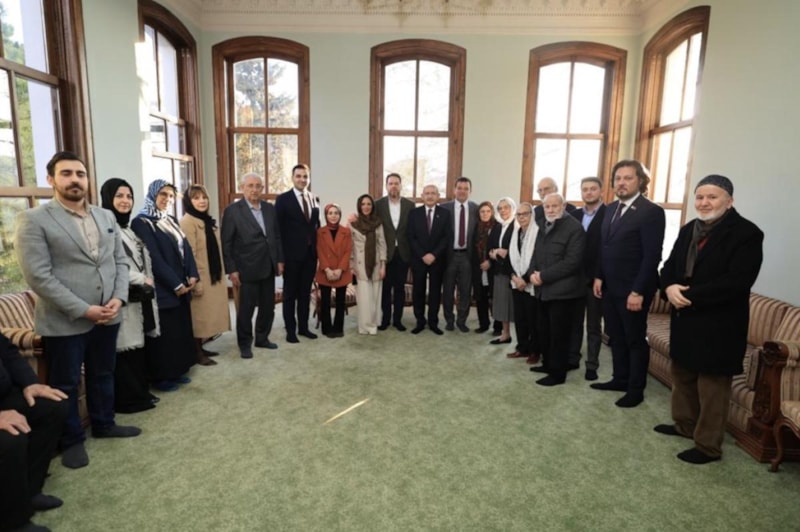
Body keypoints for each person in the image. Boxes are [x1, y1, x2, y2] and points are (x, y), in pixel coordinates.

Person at [15, 151, 140, 470]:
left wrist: (118, 298)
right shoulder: (34, 219)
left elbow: (119, 262)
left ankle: (105, 424)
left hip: (108, 315)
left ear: (87, 180)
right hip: (65, 320)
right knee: (66, 383)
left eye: (80, 174)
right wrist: (84, 310)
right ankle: (70, 440)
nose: (75, 180)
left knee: (103, 373)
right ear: (51, 179)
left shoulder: (105, 216)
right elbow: (39, 276)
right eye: (66, 173)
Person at [655, 175, 763, 464]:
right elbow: (669, 266)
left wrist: (687, 295)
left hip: (719, 324)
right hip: (685, 320)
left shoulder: (747, 233)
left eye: (712, 197)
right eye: (700, 197)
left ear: (729, 201)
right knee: (683, 376)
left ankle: (708, 446)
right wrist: (669, 287)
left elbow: (737, 281)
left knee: (712, 387)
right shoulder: (689, 228)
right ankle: (685, 425)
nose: (704, 203)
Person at [592, 160, 665, 408]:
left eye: (628, 178)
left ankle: (635, 389)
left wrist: (638, 291)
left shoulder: (651, 211)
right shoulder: (611, 209)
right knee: (615, 336)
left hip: (633, 289)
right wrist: (599, 276)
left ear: (640, 181)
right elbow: (604, 247)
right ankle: (619, 379)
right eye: (618, 178)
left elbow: (652, 256)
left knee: (634, 339)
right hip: (610, 286)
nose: (621, 183)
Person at [131, 179, 198, 392]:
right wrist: (176, 284)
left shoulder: (170, 219)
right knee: (164, 336)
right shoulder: (141, 222)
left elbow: (186, 248)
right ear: (153, 195)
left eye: (170, 196)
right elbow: (153, 258)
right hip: (163, 289)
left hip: (182, 286)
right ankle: (161, 377)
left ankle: (177, 371)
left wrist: (193, 274)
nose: (167, 199)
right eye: (163, 194)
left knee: (179, 332)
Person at [100, 178, 159, 413]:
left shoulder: (127, 228)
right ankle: (129, 400)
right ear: (108, 199)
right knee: (125, 348)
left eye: (129, 196)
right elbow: (111, 263)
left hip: (139, 294)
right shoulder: (105, 228)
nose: (125, 201)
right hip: (121, 295)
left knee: (138, 345)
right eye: (119, 196)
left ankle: (140, 393)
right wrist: (139, 278)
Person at [221, 173, 284, 359]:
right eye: (250, 186)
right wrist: (232, 269)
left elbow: (276, 236)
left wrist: (279, 260)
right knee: (246, 310)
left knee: (267, 307)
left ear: (262, 188)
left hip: (268, 266)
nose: (254, 189)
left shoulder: (269, 208)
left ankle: (262, 338)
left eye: (258, 186)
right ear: (242, 188)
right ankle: (245, 344)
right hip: (246, 268)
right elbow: (226, 244)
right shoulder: (232, 211)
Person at [529, 194, 586, 386]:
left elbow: (572, 262)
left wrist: (542, 276)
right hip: (543, 291)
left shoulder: (574, 228)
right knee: (544, 331)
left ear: (563, 206)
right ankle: (548, 365)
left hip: (564, 292)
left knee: (559, 335)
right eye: (547, 206)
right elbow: (534, 253)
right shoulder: (541, 225)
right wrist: (532, 273)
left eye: (555, 206)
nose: (551, 210)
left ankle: (558, 374)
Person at [180, 184, 231, 366]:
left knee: (208, 315)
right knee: (198, 316)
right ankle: (196, 352)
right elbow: (190, 255)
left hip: (212, 275)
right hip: (199, 277)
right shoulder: (187, 221)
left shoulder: (206, 220)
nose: (202, 201)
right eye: (196, 198)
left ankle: (201, 347)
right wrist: (196, 281)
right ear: (189, 201)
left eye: (204, 197)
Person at [275, 164, 320, 343]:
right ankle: (290, 331)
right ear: (292, 178)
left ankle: (303, 327)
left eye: (305, 176)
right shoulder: (283, 200)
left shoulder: (314, 198)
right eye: (298, 176)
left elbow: (316, 227)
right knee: (290, 295)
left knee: (305, 294)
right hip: (291, 256)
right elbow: (277, 231)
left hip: (310, 256)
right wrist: (280, 259)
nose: (302, 179)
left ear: (309, 178)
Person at [570, 177, 607, 381]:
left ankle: (592, 364)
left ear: (601, 191)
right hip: (575, 278)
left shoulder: (609, 214)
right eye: (585, 189)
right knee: (574, 322)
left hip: (596, 279)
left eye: (593, 189)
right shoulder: (574, 215)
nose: (589, 192)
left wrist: (599, 276)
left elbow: (606, 249)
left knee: (593, 325)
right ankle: (572, 358)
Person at [407, 184, 451, 335]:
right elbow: (411, 237)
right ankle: (420, 321)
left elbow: (446, 237)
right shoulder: (414, 213)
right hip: (419, 259)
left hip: (437, 260)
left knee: (435, 292)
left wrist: (434, 254)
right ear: (422, 196)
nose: (430, 196)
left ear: (438, 196)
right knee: (418, 291)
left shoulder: (445, 214)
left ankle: (433, 322)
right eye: (427, 193)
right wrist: (423, 255)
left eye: (433, 193)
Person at [374, 173, 415, 332]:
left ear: (401, 186)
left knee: (399, 289)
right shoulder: (378, 205)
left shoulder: (410, 205)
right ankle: (385, 319)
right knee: (385, 289)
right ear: (386, 186)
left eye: (396, 183)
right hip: (385, 253)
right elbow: (370, 222)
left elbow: (413, 229)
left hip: (403, 253)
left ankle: (397, 320)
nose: (393, 186)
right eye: (390, 183)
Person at [442, 177, 479, 332]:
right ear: (454, 190)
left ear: (470, 191)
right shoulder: (444, 208)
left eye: (466, 188)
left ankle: (462, 321)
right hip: (449, 256)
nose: (462, 191)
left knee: (465, 291)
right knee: (448, 290)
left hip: (467, 256)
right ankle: (449, 320)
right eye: (459, 188)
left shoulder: (476, 209)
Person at [504, 203, 539, 362]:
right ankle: (522, 348)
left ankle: (534, 351)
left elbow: (537, 260)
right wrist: (514, 278)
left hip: (530, 283)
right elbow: (510, 258)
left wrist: (524, 279)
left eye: (525, 213)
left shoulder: (537, 233)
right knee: (520, 318)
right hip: (516, 283)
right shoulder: (516, 232)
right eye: (519, 214)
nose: (522, 217)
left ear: (532, 215)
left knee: (533, 319)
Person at [350, 194, 387, 335]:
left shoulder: (378, 223)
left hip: (376, 264)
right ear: (359, 206)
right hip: (360, 265)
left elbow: (382, 244)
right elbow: (350, 247)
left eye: (369, 204)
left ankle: (373, 323)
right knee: (364, 298)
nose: (366, 207)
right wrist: (351, 265)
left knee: (375, 297)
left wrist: (383, 265)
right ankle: (364, 326)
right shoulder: (353, 223)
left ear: (372, 206)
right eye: (363, 204)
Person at [315, 204, 353, 338]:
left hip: (341, 271)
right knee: (325, 301)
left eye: (336, 213)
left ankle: (338, 328)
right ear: (326, 215)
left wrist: (340, 270)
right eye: (330, 213)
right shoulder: (320, 232)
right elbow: (319, 251)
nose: (333, 216)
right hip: (325, 271)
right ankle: (326, 328)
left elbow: (348, 251)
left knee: (340, 302)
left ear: (340, 215)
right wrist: (327, 270)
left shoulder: (346, 231)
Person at [487, 197, 516, 345]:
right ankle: (505, 334)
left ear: (512, 208)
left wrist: (501, 252)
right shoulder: (498, 226)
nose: (503, 210)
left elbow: (514, 250)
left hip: (512, 271)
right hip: (498, 269)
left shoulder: (516, 225)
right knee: (502, 303)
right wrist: (497, 252)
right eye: (500, 208)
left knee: (513, 305)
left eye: (506, 207)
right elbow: (491, 247)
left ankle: (520, 338)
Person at [472, 201, 497, 333]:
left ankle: (498, 327)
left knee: (495, 297)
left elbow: (499, 247)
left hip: (493, 268)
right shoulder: (476, 227)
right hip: (478, 267)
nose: (485, 214)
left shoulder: (497, 226)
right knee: (480, 297)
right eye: (482, 211)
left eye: (488, 211)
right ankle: (483, 324)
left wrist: (490, 262)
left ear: (492, 212)